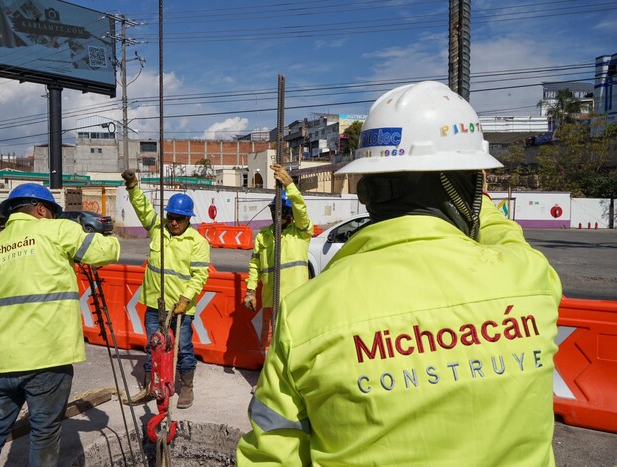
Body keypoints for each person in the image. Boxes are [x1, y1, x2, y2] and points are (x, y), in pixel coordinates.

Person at [236, 81, 562, 466]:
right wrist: (480, 201)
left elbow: (272, 455)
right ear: (466, 185)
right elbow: (506, 238)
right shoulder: (529, 279)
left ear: (366, 191)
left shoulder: (307, 315)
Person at [0, 183, 120, 466]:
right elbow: (106, 251)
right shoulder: (56, 230)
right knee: (44, 432)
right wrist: (94, 232)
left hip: (2, 360)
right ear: (41, 208)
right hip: (46, 357)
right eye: (51, 212)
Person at [121, 169, 210, 409]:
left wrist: (185, 299)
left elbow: (200, 275)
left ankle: (186, 387)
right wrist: (132, 187)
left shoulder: (198, 243)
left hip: (180, 308)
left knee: (184, 348)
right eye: (171, 217)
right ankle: (153, 385)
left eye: (179, 219)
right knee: (153, 345)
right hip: (154, 303)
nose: (173, 223)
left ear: (188, 219)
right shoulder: (158, 229)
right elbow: (143, 209)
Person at [243, 163, 314, 348]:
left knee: (295, 344)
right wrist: (250, 291)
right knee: (269, 346)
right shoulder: (263, 236)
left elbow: (302, 213)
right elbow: (254, 267)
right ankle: (270, 376)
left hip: (295, 301)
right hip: (270, 301)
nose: (277, 214)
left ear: (290, 214)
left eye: (282, 211)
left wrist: (290, 187)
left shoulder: (300, 233)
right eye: (275, 211)